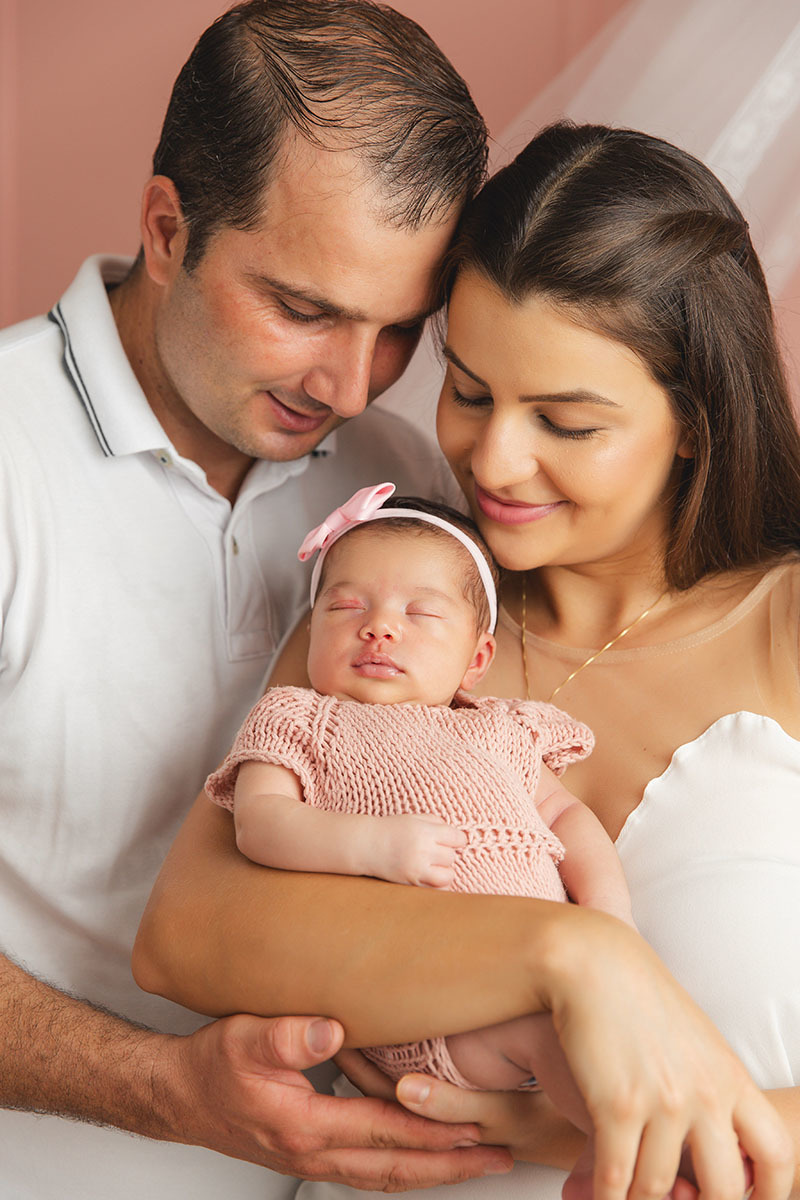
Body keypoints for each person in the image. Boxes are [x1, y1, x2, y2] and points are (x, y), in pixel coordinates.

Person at [134, 119, 800, 1200]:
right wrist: (576, 958)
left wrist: (574, 1130)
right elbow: (185, 936)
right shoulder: (400, 605)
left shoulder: (784, 625)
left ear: (693, 421)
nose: (492, 460)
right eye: (471, 390)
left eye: (566, 423)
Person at [0, 2, 502, 1197]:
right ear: (167, 228)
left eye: (397, 331)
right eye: (303, 309)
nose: (348, 386)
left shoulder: (402, 476)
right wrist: (161, 1089)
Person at [204, 483, 633, 1116]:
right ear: (313, 629)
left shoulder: (502, 728)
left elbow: (567, 816)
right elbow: (260, 823)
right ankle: (618, 1141)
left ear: (476, 658)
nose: (378, 626)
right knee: (562, 1042)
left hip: (542, 975)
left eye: (421, 614)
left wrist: (608, 917)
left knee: (614, 1035)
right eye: (346, 606)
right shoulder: (300, 718)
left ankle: (622, 1140)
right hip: (421, 998)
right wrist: (371, 846)